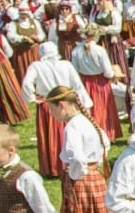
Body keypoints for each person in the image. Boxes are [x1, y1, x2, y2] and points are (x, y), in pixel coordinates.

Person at [44, 85, 120, 213]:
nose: (52, 115)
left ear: (61, 105)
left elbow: (76, 157)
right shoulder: (87, 121)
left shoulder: (73, 127)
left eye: (52, 110)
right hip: (95, 179)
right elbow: (105, 143)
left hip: (83, 182)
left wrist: (74, 175)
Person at [22, 42, 88, 178]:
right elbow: (77, 84)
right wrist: (84, 103)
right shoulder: (66, 65)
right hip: (66, 103)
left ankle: (53, 166)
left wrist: (31, 97)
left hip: (49, 103)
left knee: (52, 134)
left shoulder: (36, 66)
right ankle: (66, 165)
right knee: (68, 132)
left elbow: (27, 83)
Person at [70, 24, 121, 141]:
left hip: (85, 82)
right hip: (100, 82)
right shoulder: (100, 50)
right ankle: (105, 133)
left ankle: (89, 135)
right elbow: (108, 71)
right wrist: (114, 75)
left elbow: (74, 69)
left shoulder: (76, 50)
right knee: (103, 107)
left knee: (87, 108)